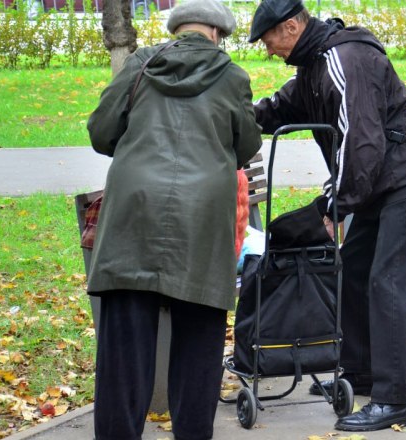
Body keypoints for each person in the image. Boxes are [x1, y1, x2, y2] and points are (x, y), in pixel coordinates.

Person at [248, 0, 406, 432]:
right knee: (352, 268)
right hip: (380, 179)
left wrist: (332, 207)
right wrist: (235, 116)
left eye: (269, 40)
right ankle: (359, 373)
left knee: (388, 280)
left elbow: (362, 142)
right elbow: (281, 108)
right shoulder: (315, 66)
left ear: (293, 26)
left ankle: (395, 400)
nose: (268, 50)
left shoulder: (344, 59)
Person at [85, 0, 262, 437]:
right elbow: (246, 145)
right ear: (217, 34)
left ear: (176, 29)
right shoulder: (232, 76)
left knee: (125, 352)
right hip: (201, 223)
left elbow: (101, 132)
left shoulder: (140, 65)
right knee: (198, 347)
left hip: (133, 216)